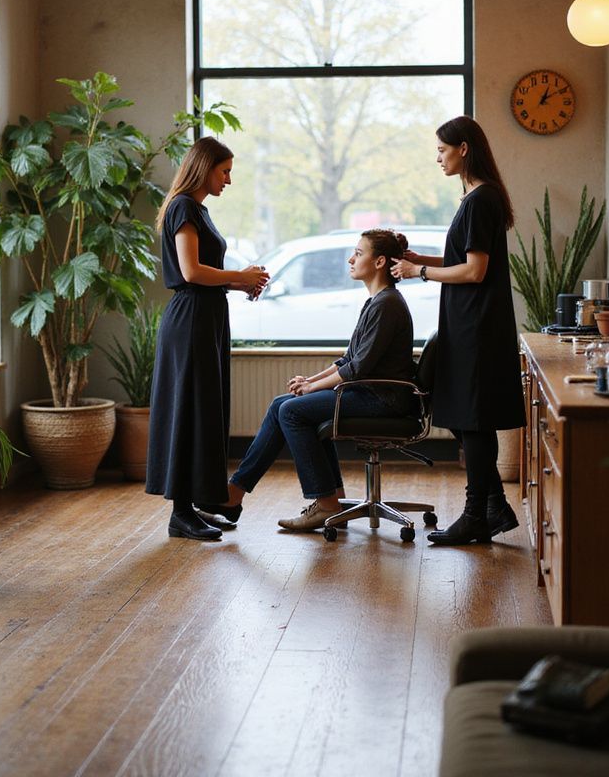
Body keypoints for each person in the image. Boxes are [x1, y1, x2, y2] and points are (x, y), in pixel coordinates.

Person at [197, 230, 415, 533]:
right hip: (370, 393)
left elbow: (359, 368)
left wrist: (311, 389)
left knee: (292, 411)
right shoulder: (377, 301)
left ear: (379, 262)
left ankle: (325, 504)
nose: (351, 259)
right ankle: (236, 497)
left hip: (382, 400)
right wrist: (308, 381)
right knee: (282, 404)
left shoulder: (387, 304)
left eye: (358, 253)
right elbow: (347, 361)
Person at [391, 115, 525, 546]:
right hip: (470, 323)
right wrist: (418, 258)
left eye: (442, 150)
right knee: (470, 421)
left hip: (477, 326)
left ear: (464, 148)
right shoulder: (475, 198)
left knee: (474, 421)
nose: (438, 158)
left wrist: (419, 274)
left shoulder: (480, 200)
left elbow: (474, 270)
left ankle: (477, 516)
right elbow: (460, 260)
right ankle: (491, 509)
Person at [145, 136, 269, 541]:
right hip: (192, 320)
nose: (228, 181)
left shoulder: (198, 210)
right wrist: (239, 277)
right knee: (191, 409)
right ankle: (182, 513)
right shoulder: (184, 206)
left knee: (205, 409)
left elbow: (203, 274)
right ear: (205, 168)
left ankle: (198, 502)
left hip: (207, 317)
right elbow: (192, 272)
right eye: (225, 171)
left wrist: (239, 283)